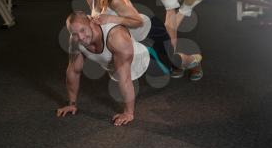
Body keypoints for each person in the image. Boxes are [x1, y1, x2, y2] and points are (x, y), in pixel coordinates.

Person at [56, 7, 203, 126]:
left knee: (171, 62)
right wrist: (72, 103)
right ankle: (177, 12)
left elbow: (125, 78)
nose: (81, 38)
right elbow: (74, 71)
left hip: (143, 57)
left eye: (83, 30)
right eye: (75, 33)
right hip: (128, 48)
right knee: (171, 56)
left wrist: (128, 113)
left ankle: (193, 58)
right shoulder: (75, 40)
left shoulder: (115, 38)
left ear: (91, 22)